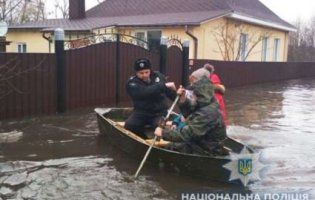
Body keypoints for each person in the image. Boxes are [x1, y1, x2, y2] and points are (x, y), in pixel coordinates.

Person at [154, 66, 228, 156]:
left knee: (170, 148)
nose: (191, 93)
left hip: (207, 150)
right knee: (172, 145)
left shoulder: (208, 112)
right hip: (201, 142)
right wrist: (183, 99)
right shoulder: (206, 101)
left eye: (193, 92)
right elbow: (189, 114)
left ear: (200, 92)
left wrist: (163, 133)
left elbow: (188, 133)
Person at [124, 58, 177, 138]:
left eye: (146, 72)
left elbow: (169, 93)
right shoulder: (132, 83)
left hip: (159, 113)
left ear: (150, 70)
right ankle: (143, 138)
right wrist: (163, 85)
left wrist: (178, 96)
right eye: (141, 73)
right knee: (129, 125)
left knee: (160, 127)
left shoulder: (158, 76)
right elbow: (144, 92)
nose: (144, 75)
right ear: (136, 73)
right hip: (141, 112)